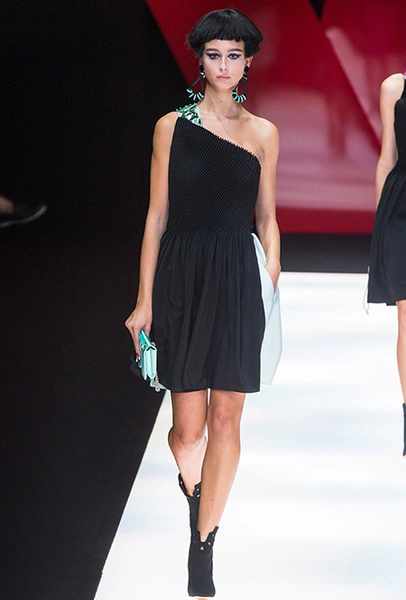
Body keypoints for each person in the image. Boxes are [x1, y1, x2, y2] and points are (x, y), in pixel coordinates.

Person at [125, 9, 280, 598]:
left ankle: (204, 543)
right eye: (214, 55)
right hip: (184, 278)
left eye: (233, 55)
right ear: (201, 59)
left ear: (247, 61)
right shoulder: (172, 126)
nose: (223, 65)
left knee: (226, 418)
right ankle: (197, 494)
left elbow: (267, 218)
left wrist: (271, 274)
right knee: (186, 435)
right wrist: (144, 300)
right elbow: (156, 216)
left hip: (238, 277)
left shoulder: (263, 133)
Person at [367, 70, 406, 456]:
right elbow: (387, 158)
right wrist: (380, 228)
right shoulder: (395, 87)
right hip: (401, 210)